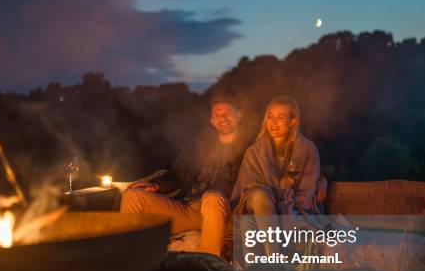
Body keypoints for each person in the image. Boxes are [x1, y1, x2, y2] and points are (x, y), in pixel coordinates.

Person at [120, 96, 249, 257]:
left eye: (227, 113)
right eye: (217, 115)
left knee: (212, 198)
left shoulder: (249, 149)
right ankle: (129, 260)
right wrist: (157, 185)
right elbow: (179, 173)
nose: (222, 118)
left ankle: (209, 263)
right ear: (212, 121)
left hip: (222, 212)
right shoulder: (202, 146)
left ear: (238, 116)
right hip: (189, 210)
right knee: (133, 196)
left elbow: (254, 182)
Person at [231, 96, 321, 218]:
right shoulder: (254, 152)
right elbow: (247, 189)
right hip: (256, 205)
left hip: (295, 208)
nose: (273, 122)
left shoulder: (307, 150)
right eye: (270, 116)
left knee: (296, 219)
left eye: (280, 118)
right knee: (260, 196)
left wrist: (286, 206)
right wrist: (279, 190)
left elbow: (306, 190)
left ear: (292, 122)